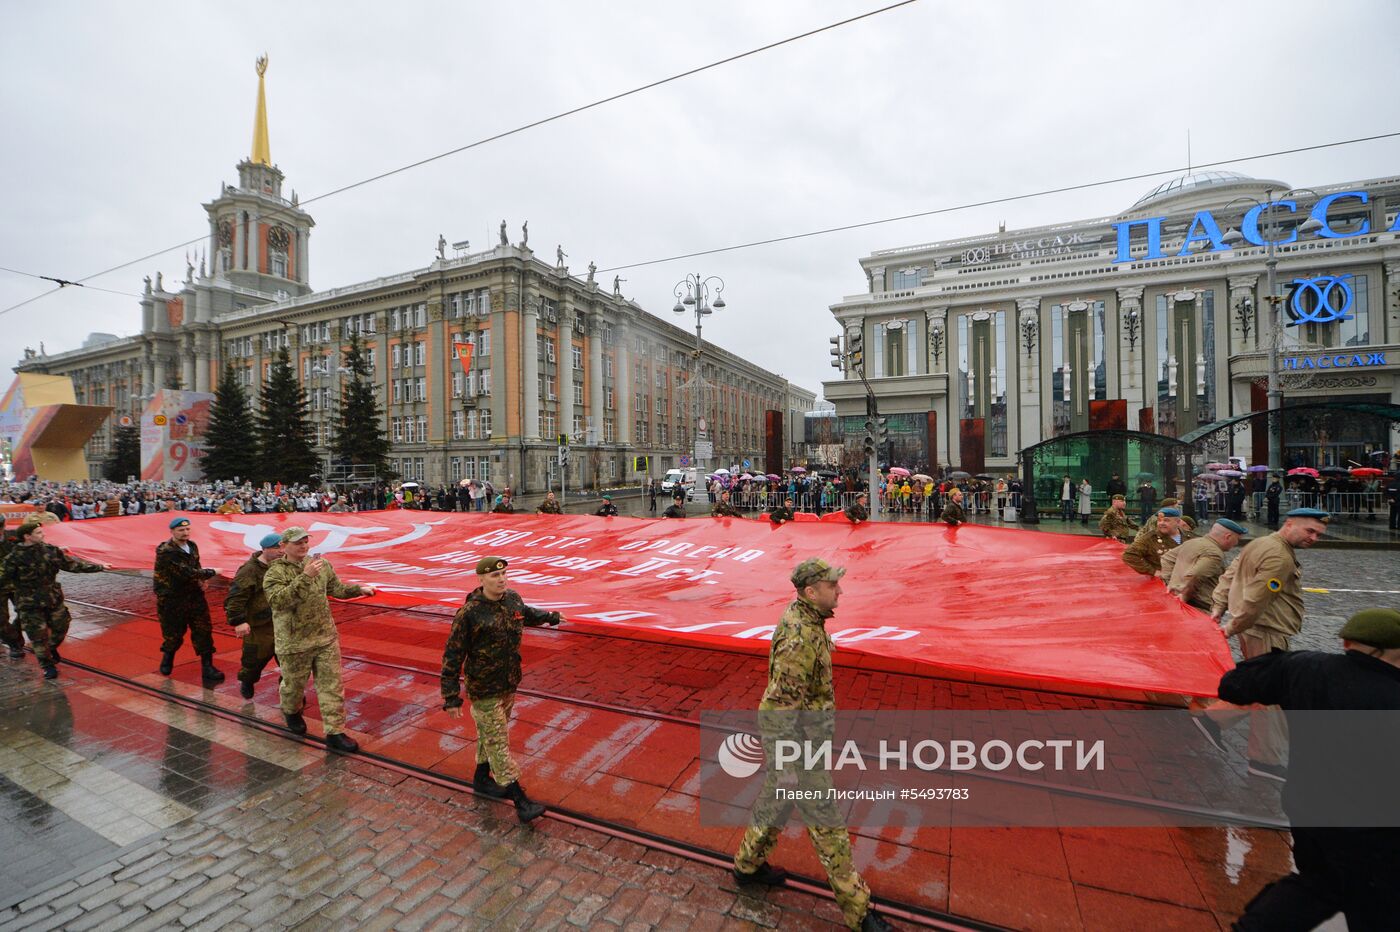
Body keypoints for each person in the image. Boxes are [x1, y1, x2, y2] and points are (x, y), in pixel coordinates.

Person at [731, 558, 894, 932]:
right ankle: (860, 910)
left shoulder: (809, 620)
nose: (840, 590)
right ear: (810, 592)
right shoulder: (800, 636)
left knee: (775, 803)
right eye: (832, 585)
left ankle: (747, 866)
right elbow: (782, 704)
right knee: (828, 826)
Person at [1215, 608, 1400, 930]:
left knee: (1318, 884)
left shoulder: (1304, 667)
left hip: (1310, 811)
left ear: (1347, 642)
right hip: (1377, 833)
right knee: (1376, 902)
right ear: (1389, 651)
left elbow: (1234, 686)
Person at [1201, 508, 1329, 781]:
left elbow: (1230, 575)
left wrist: (1218, 607)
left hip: (1258, 628)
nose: (1314, 538)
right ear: (1290, 523)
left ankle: (1219, 726)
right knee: (1271, 693)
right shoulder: (1279, 555)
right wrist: (1231, 626)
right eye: (1309, 531)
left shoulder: (1261, 543)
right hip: (1266, 630)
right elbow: (1257, 599)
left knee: (1265, 689)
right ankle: (1261, 758)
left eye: (1318, 534)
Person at [440, 556, 561, 823]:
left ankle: (481, 778)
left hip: (508, 683)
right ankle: (520, 800)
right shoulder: (469, 614)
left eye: (504, 574)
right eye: (495, 576)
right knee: (498, 741)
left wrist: (551, 617)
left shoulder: (512, 599)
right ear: (481, 580)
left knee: (491, 735)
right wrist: (451, 696)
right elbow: (452, 655)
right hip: (484, 689)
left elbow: (526, 614)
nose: (502, 579)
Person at [263, 526, 376, 753]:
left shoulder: (321, 565)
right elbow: (278, 602)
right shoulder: (275, 573)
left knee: (332, 686)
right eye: (298, 543)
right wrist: (305, 577)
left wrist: (358, 590)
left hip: (325, 637)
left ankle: (335, 731)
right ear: (284, 546)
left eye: (306, 541)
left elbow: (336, 589)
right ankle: (292, 711)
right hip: (294, 642)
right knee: (294, 687)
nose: (304, 546)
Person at [0, 519, 108, 679]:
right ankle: (47, 665)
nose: (43, 535)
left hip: (52, 597)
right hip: (29, 602)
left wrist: (98, 567)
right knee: (37, 635)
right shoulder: (13, 558)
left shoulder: (50, 551)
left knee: (61, 626)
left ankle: (50, 648)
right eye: (38, 533)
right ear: (27, 536)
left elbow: (71, 565)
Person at [154, 517, 224, 686]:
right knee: (174, 634)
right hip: (172, 599)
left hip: (194, 596)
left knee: (203, 630)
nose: (185, 533)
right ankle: (168, 656)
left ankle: (207, 667)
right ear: (172, 532)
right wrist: (211, 572)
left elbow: (195, 566)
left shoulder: (192, 546)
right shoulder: (166, 551)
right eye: (180, 530)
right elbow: (186, 571)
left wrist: (201, 580)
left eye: (187, 530)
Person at [224, 533, 283, 700]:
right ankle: (247, 681)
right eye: (276, 548)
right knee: (254, 662)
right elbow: (235, 598)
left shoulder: (282, 566)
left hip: (282, 623)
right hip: (259, 626)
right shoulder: (249, 570)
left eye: (282, 547)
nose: (281, 551)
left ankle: (290, 694)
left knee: (290, 664)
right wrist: (238, 621)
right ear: (264, 549)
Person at [1163, 518, 1246, 610]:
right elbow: (1196, 576)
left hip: (1179, 601)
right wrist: (1184, 596)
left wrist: (1170, 583)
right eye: (1237, 539)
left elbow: (1167, 559)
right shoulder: (1214, 553)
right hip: (1198, 606)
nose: (1236, 543)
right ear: (1228, 536)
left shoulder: (1193, 542)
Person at [1121, 508, 1190, 577]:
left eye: (1166, 520)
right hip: (1164, 582)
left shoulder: (1191, 537)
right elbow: (1128, 555)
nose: (1161, 523)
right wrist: (1153, 571)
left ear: (1177, 522)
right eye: (1159, 520)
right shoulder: (1149, 538)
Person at [0, 514, 19, 659]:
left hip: (17, 583)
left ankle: (14, 636)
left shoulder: (13, 535)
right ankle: (14, 643)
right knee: (1, 620)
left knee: (27, 614)